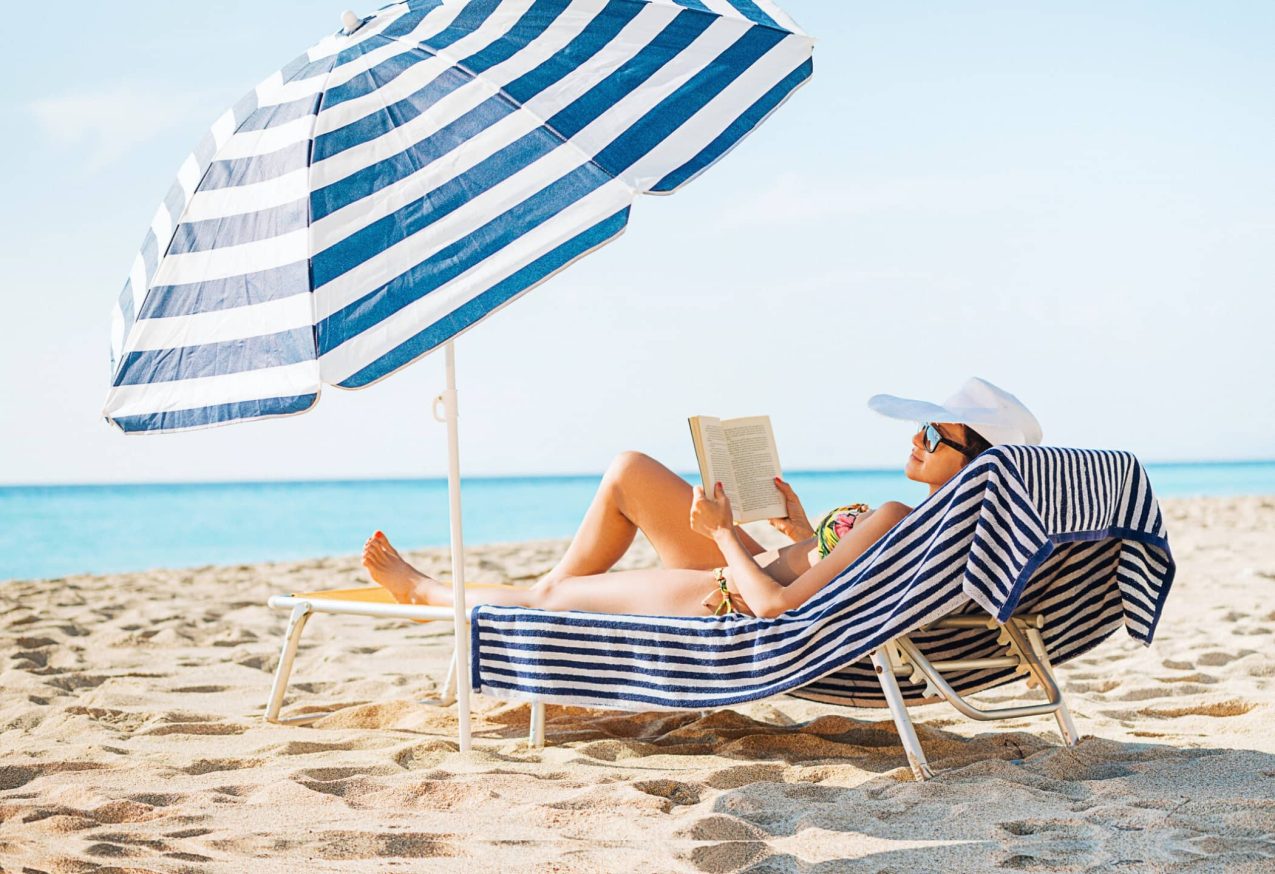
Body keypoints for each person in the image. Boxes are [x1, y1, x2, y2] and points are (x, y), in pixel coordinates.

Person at [363, 378, 1042, 620]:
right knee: (630, 469)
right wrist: (801, 527)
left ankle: (424, 592)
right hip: (753, 569)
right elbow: (829, 576)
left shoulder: (901, 518)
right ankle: (545, 601)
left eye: (934, 434)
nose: (916, 439)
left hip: (724, 593)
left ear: (974, 465)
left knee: (550, 600)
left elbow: (776, 604)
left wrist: (720, 532)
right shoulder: (924, 525)